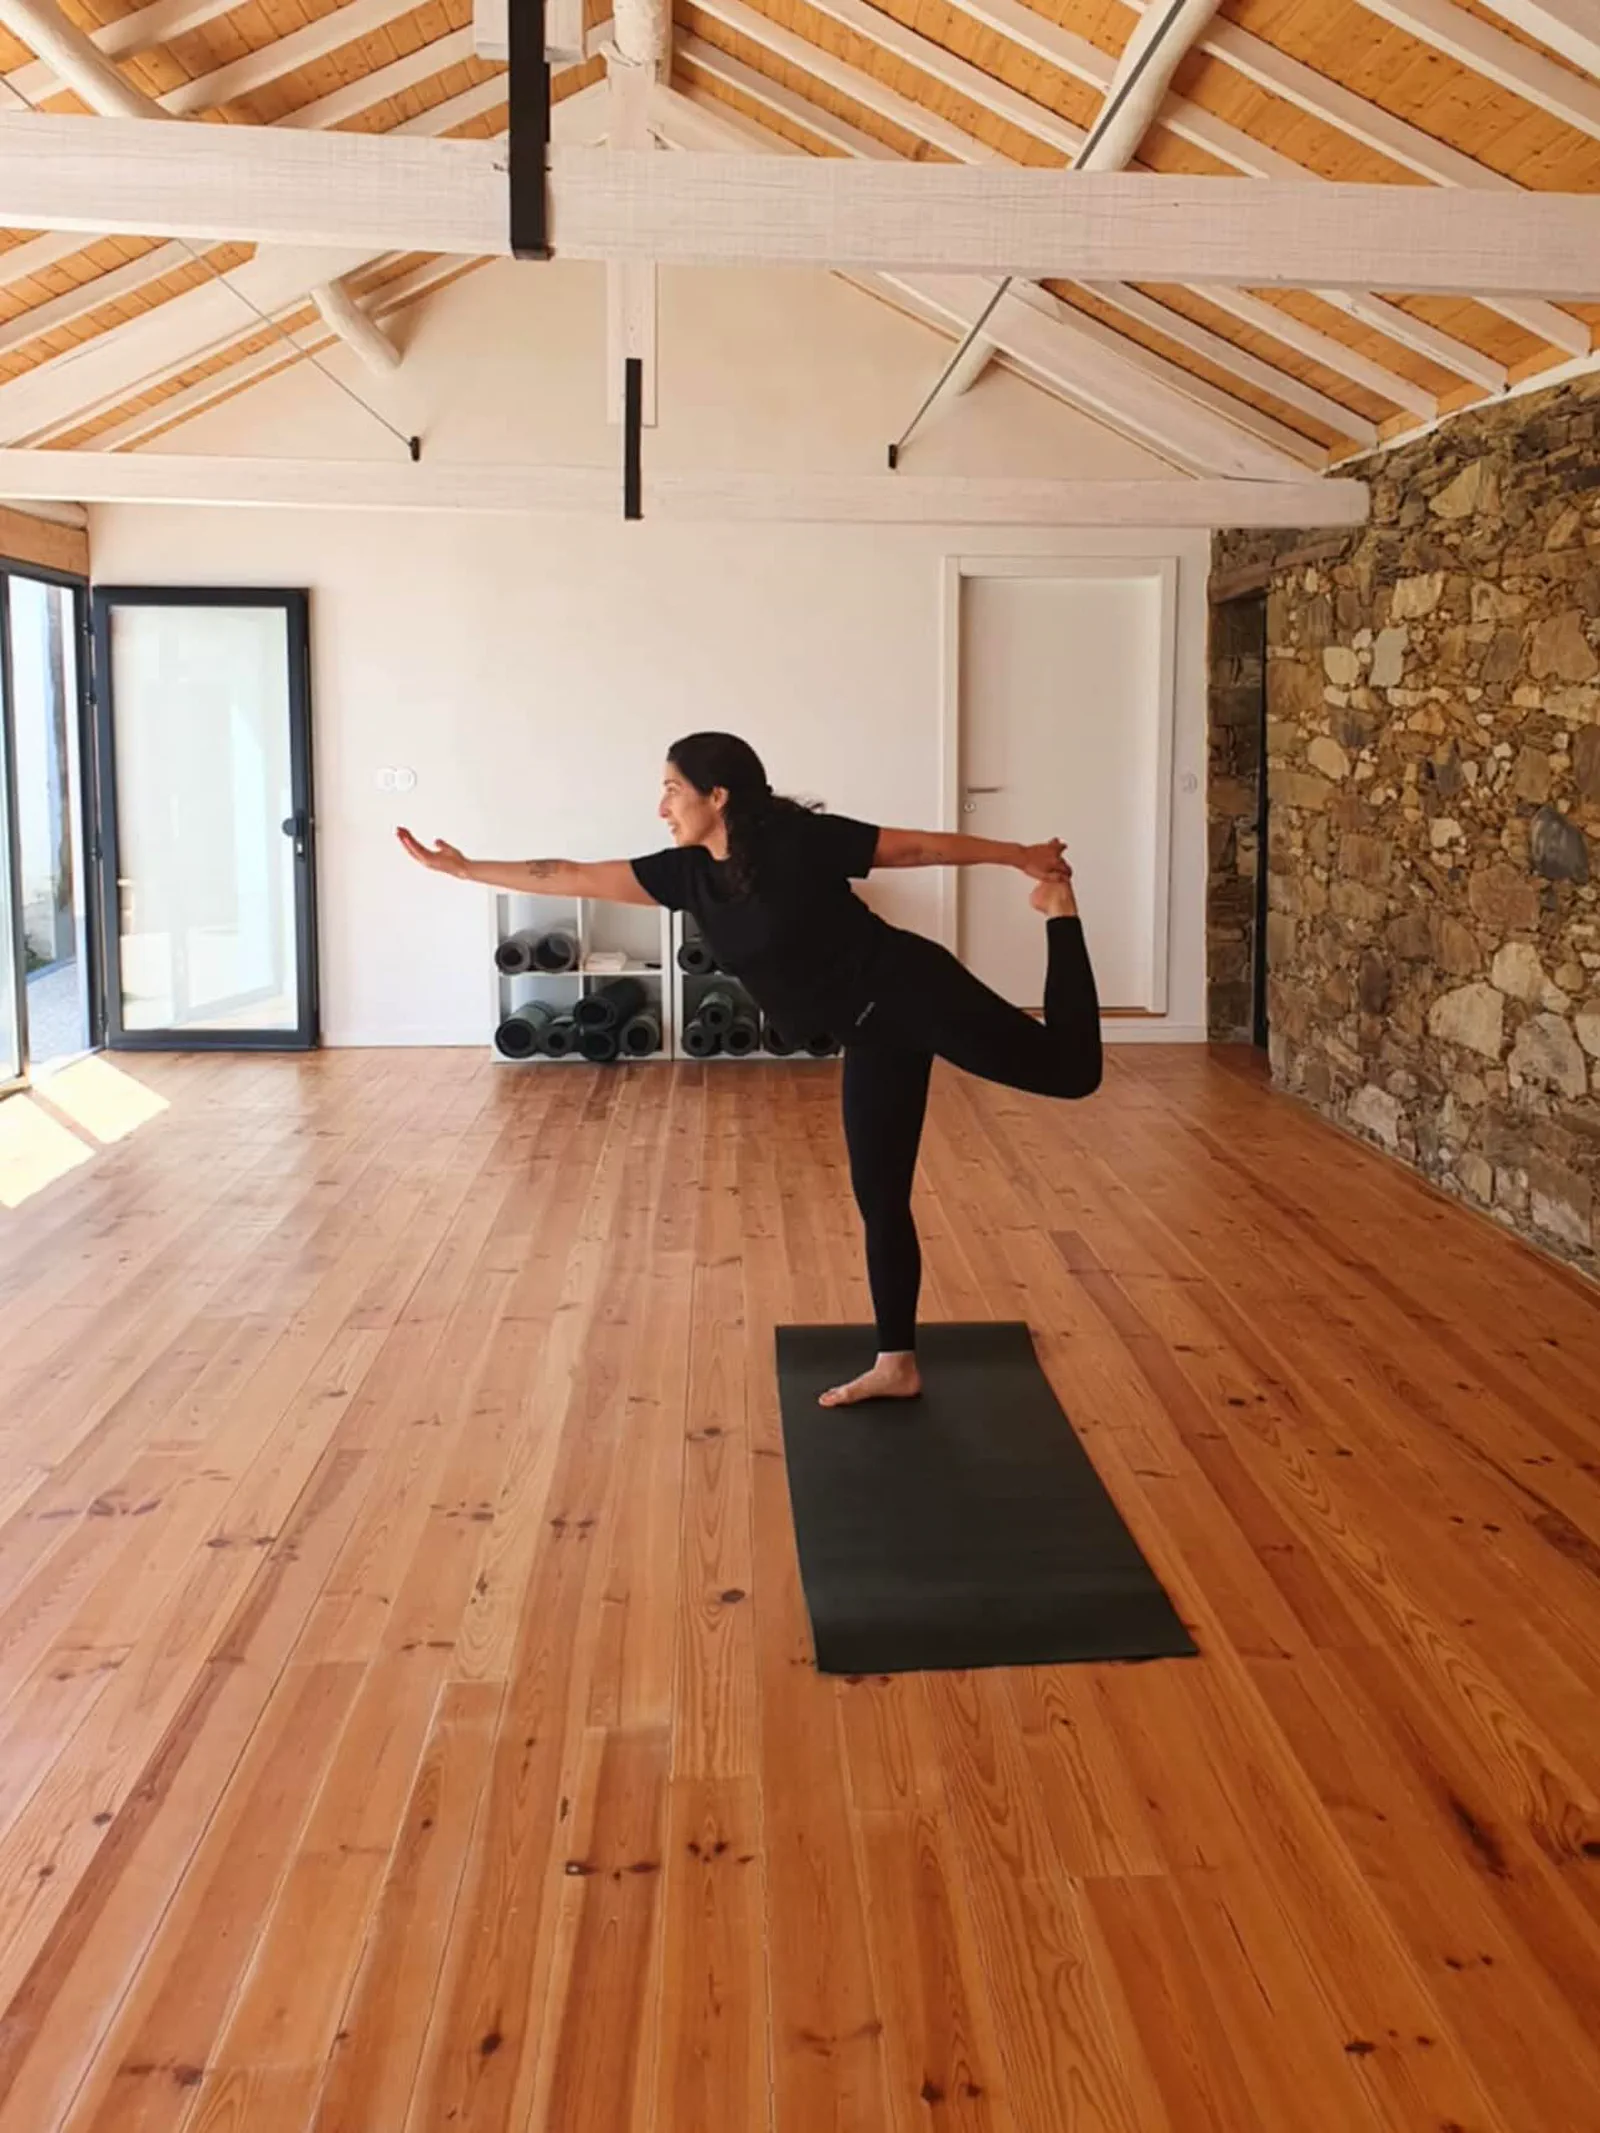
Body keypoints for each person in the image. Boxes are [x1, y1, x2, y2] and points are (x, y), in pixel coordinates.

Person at [398, 732, 1102, 1408]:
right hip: (870, 1033)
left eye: (672, 790)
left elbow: (916, 846)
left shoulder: (798, 841)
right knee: (880, 1195)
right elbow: (572, 873)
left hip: (912, 991)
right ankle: (897, 1363)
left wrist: (1021, 856)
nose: (662, 806)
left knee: (1071, 1073)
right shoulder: (686, 875)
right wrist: (465, 868)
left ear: (718, 795)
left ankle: (1061, 915)